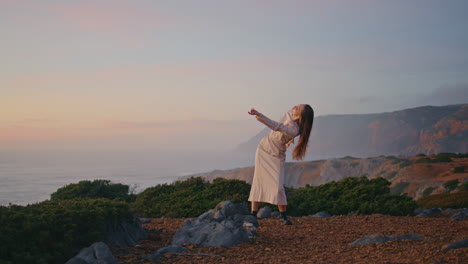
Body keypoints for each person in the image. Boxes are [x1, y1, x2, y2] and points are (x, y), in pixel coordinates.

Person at [247, 104, 314, 225]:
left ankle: (283, 216)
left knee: (278, 187)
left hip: (276, 155)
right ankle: (253, 214)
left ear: (301, 115)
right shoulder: (289, 114)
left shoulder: (295, 130)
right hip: (263, 149)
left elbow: (276, 126)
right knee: (258, 180)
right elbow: (280, 125)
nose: (295, 106)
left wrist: (259, 114)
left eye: (298, 108)